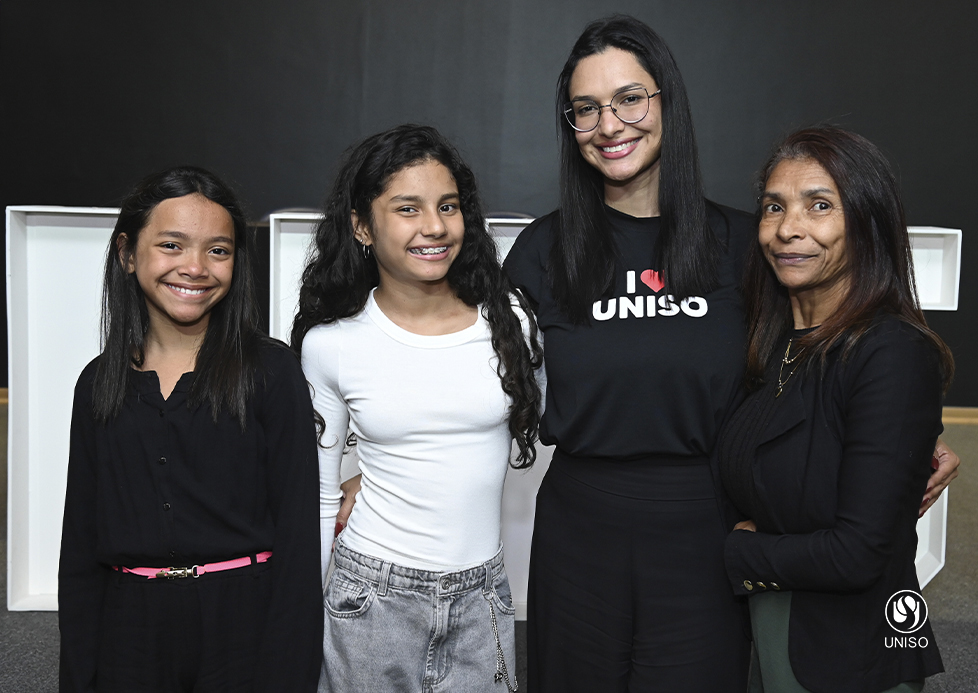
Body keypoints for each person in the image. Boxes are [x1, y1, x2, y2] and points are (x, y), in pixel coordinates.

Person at [502, 15, 959, 692]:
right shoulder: (541, 250)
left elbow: (830, 351)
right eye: (586, 108)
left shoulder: (749, 244)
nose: (609, 124)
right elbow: (478, 374)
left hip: (710, 526)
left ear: (668, 102)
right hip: (578, 525)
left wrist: (911, 436)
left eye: (630, 98)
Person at [292, 124, 542, 693]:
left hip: (483, 595)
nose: (434, 226)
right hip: (370, 597)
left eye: (448, 206)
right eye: (408, 208)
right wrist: (301, 612)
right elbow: (321, 494)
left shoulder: (511, 321)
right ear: (361, 226)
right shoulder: (331, 344)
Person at [58, 166, 323, 692]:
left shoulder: (271, 373)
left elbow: (298, 537)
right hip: (128, 631)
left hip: (243, 626)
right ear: (127, 253)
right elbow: (80, 545)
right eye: (172, 245)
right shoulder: (97, 383)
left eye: (218, 250)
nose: (196, 267)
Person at [718, 126, 949, 693]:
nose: (788, 228)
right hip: (776, 632)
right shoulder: (771, 345)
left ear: (867, 223)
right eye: (774, 207)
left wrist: (738, 548)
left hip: (853, 653)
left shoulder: (892, 352)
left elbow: (857, 554)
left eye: (819, 205)